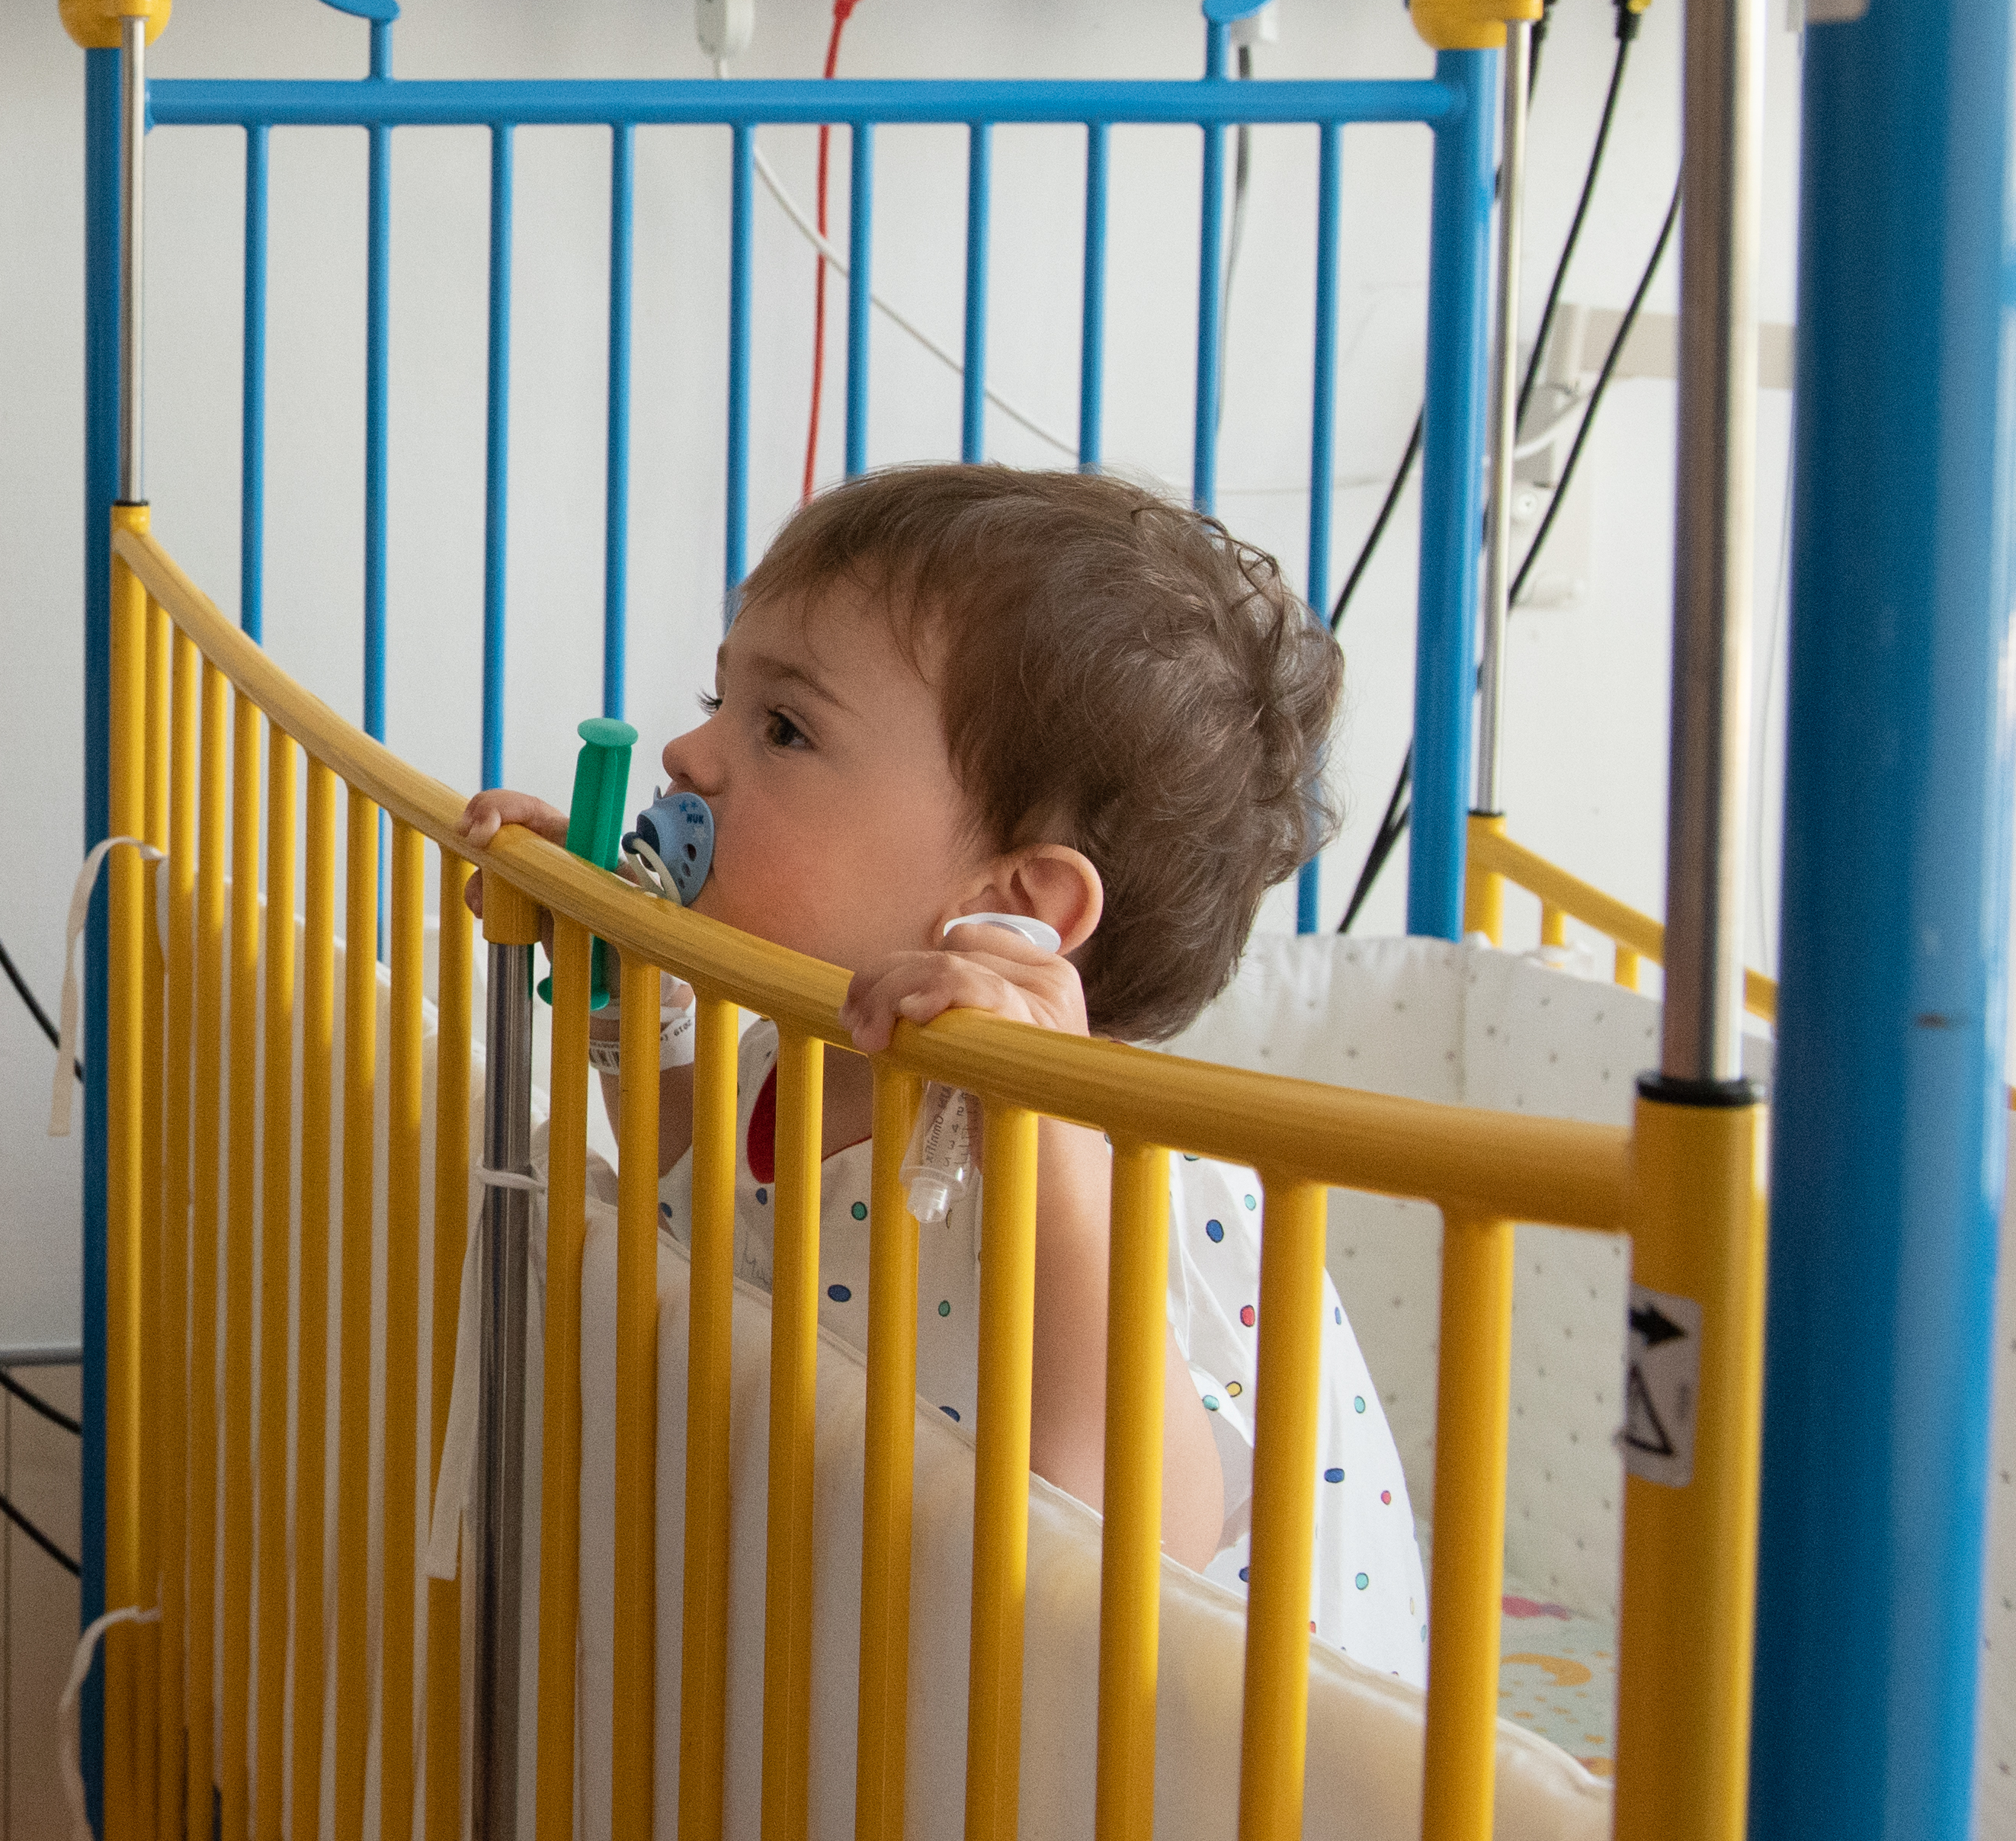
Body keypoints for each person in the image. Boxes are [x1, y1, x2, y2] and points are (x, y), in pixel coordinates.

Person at [461, 462, 1426, 1674]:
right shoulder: (794, 1046)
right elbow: (692, 1198)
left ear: (1015, 899)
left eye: (784, 727)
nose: (687, 751)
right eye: (719, 696)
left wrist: (1048, 1137)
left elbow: (1139, 1539)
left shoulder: (1077, 1166)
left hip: (1207, 1739)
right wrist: (616, 980)